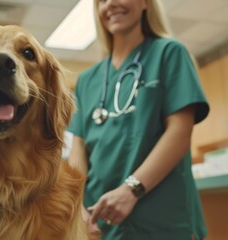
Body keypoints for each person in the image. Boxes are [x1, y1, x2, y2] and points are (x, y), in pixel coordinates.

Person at [67, 0, 210, 239]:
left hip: (160, 220)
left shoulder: (170, 53)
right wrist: (76, 205)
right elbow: (78, 149)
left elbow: (180, 132)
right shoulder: (86, 81)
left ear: (145, 3)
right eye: (101, 1)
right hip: (100, 224)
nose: (111, 4)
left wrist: (131, 189)